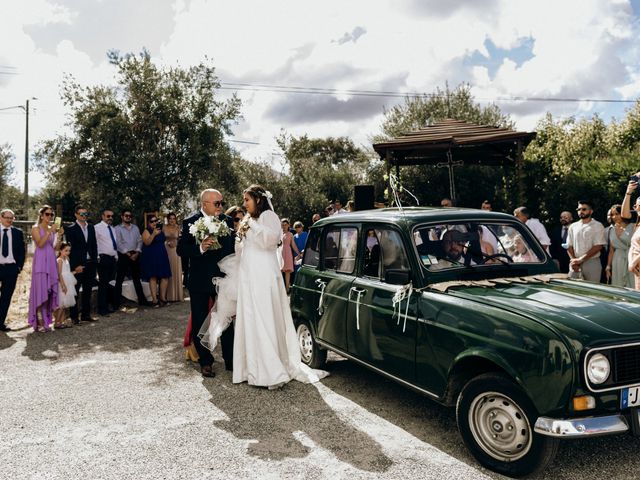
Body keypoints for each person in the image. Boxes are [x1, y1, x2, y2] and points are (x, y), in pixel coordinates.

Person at [231, 184, 328, 388]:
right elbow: (242, 246)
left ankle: (271, 371)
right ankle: (252, 370)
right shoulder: (250, 219)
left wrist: (252, 226)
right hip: (249, 273)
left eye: (247, 199)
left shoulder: (269, 217)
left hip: (263, 273)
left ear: (258, 199)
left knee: (264, 315)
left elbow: (271, 241)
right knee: (251, 316)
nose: (244, 204)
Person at [177, 189, 235, 378]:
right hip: (199, 279)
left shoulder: (227, 221)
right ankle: (205, 361)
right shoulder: (190, 222)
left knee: (226, 319)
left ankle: (231, 360)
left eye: (221, 203)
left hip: (222, 279)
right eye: (216, 203)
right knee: (200, 320)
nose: (220, 207)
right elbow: (181, 249)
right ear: (204, 204)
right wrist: (200, 248)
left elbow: (230, 249)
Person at [28, 205, 63, 332]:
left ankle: (47, 320)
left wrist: (59, 237)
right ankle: (39, 321)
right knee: (40, 291)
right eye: (47, 214)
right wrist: (49, 231)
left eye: (51, 215)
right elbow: (40, 244)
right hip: (41, 262)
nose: (49, 217)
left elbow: (56, 249)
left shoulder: (52, 229)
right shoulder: (35, 228)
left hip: (51, 262)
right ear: (41, 215)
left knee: (49, 292)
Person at [65, 205, 98, 324]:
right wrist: (74, 266)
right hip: (78, 265)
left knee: (88, 291)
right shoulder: (71, 229)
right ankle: (74, 317)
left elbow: (94, 245)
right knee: (75, 290)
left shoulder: (91, 227)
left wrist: (95, 260)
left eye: (85, 214)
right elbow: (70, 250)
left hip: (90, 264)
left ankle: (86, 314)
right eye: (81, 214)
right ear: (76, 215)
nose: (83, 216)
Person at [566, 200, 607, 282]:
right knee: (573, 290)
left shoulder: (598, 226)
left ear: (591, 211)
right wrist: (574, 261)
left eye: (584, 209)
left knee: (592, 291)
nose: (581, 211)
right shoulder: (573, 226)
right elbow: (569, 245)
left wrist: (581, 259)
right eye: (579, 209)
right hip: (575, 263)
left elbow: (598, 246)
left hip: (592, 263)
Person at [114, 209, 147, 307]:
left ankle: (142, 301)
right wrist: (128, 254)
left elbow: (140, 241)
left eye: (130, 216)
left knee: (137, 278)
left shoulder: (135, 228)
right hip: (123, 255)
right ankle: (116, 303)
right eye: (126, 215)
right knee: (119, 279)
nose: (128, 217)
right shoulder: (117, 228)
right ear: (122, 216)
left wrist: (137, 252)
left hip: (135, 254)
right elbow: (118, 243)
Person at [0, 209, 25, 332]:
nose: (9, 220)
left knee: (6, 297)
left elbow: (22, 251)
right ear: (1, 217)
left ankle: (0, 323)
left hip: (11, 269)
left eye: (11, 218)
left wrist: (19, 267)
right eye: (7, 217)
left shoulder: (17, 232)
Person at [141, 215, 171, 307]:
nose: (154, 223)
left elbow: (163, 240)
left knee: (165, 276)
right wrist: (153, 234)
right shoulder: (146, 231)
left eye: (155, 221)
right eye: (152, 221)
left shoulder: (161, 230)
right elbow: (147, 242)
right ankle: (154, 300)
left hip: (162, 255)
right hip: (152, 257)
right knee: (153, 277)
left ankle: (163, 298)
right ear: (148, 223)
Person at [94, 208, 118, 316]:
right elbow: (94, 243)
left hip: (112, 258)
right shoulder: (97, 228)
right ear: (103, 216)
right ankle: (102, 309)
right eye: (108, 216)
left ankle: (109, 305)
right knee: (103, 284)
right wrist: (98, 256)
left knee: (111, 283)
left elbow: (114, 243)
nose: (110, 218)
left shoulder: (112, 229)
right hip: (103, 258)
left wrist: (116, 255)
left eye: (112, 216)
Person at [606, 204, 634, 287]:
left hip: (631, 258)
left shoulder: (633, 227)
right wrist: (608, 266)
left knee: (632, 282)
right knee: (618, 284)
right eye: (612, 215)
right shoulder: (611, 230)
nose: (614, 217)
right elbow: (611, 250)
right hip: (617, 260)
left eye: (617, 214)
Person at [622, 175, 640, 289]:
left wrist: (634, 262)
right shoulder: (637, 225)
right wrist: (628, 192)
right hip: (636, 269)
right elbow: (624, 214)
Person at [53, 242, 76, 329]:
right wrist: (63, 285)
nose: (68, 252)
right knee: (62, 304)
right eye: (65, 250)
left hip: (68, 282)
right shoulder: (59, 260)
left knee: (65, 304)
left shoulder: (67, 259)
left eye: (69, 251)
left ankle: (61, 322)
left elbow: (67, 272)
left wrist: (75, 272)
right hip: (62, 283)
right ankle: (56, 323)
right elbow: (59, 274)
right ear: (60, 250)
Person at [163, 212, 184, 302]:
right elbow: (161, 239)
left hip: (175, 251)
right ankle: (168, 295)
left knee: (176, 270)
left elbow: (180, 240)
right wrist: (167, 243)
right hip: (166, 250)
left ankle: (177, 295)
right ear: (168, 219)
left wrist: (176, 243)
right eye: (170, 218)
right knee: (168, 270)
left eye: (173, 218)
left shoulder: (178, 228)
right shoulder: (164, 227)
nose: (172, 220)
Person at [280, 218, 301, 293]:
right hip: (279, 253)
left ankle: (287, 288)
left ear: (288, 225)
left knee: (287, 271)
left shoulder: (290, 234)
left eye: (286, 225)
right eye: (283, 225)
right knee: (279, 271)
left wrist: (299, 253)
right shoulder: (279, 233)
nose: (284, 226)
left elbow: (293, 245)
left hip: (288, 252)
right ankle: (280, 288)